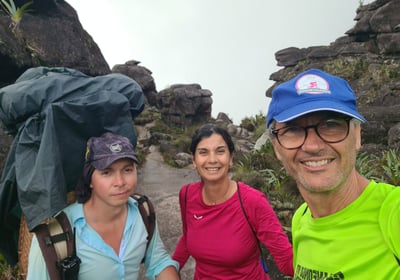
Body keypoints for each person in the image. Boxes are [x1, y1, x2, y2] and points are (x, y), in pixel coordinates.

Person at [266, 68, 400, 279]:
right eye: (292, 129)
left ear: (357, 136)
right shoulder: (301, 218)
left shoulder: (393, 213)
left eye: (330, 125)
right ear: (276, 148)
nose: (312, 145)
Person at [27, 132, 180, 280]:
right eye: (106, 172)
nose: (120, 182)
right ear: (90, 180)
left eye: (127, 170)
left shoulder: (143, 211)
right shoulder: (55, 236)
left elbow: (158, 260)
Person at [172, 123, 294, 279]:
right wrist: (171, 268)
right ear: (194, 160)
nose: (212, 160)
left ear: (231, 158)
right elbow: (188, 237)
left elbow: (286, 261)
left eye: (220, 151)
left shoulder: (253, 201)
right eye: (203, 152)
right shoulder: (187, 195)